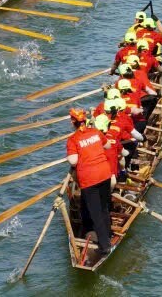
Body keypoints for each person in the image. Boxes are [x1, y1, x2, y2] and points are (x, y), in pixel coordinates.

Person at [66, 108, 114, 261]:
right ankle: (108, 234)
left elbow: (73, 161)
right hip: (105, 173)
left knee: (96, 213)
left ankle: (105, 246)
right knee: (104, 207)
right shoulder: (96, 132)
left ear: (72, 122)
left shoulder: (73, 139)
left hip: (89, 179)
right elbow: (107, 146)